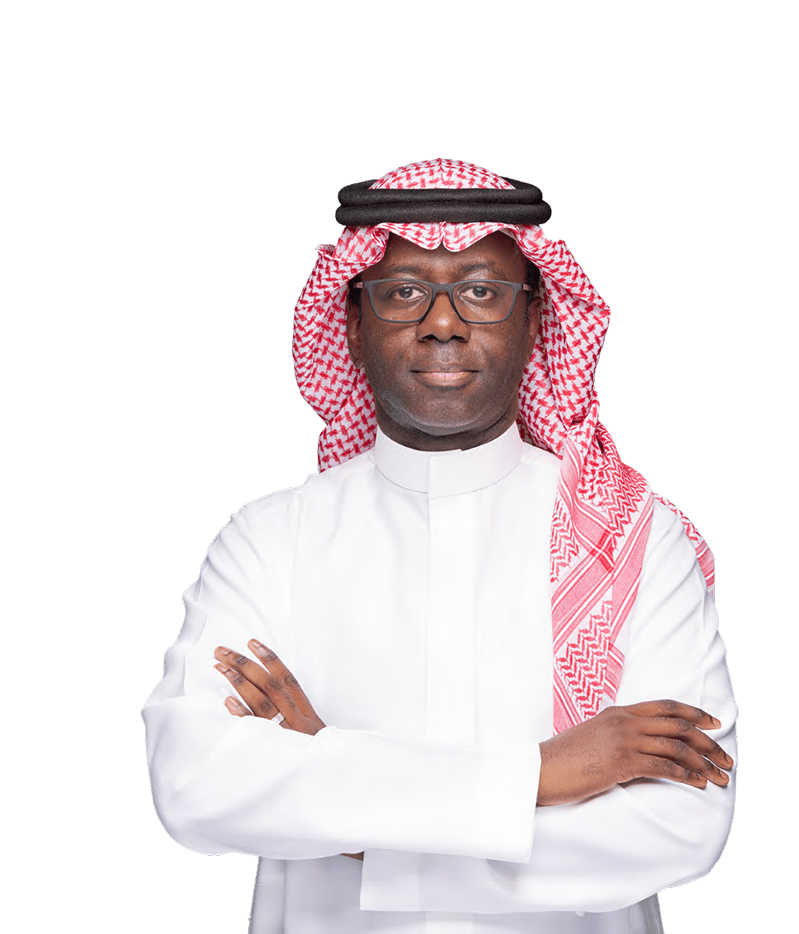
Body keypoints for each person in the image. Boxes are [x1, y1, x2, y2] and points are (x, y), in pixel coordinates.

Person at [142, 159, 737, 933]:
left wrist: (346, 809)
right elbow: (196, 785)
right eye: (402, 292)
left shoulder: (634, 537)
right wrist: (543, 775)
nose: (443, 323)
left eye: (483, 292)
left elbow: (677, 830)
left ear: (535, 320)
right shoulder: (269, 539)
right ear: (351, 324)